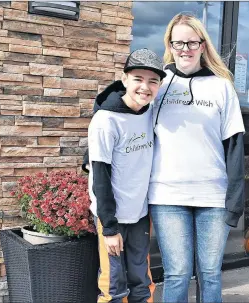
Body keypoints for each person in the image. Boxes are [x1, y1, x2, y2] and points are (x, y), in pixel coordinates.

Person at [149, 13, 245, 303]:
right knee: (177, 273)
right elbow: (124, 112)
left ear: (203, 45)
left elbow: (235, 145)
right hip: (167, 195)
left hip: (212, 197)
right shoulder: (158, 84)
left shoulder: (221, 86)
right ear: (169, 44)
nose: (185, 49)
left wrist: (235, 201)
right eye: (178, 42)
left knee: (210, 273)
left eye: (192, 42)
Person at [87, 48, 166, 303]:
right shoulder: (106, 120)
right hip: (113, 218)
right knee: (113, 286)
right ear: (124, 80)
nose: (145, 87)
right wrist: (109, 228)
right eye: (138, 79)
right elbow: (100, 175)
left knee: (142, 283)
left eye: (153, 81)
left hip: (140, 215)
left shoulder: (150, 113)